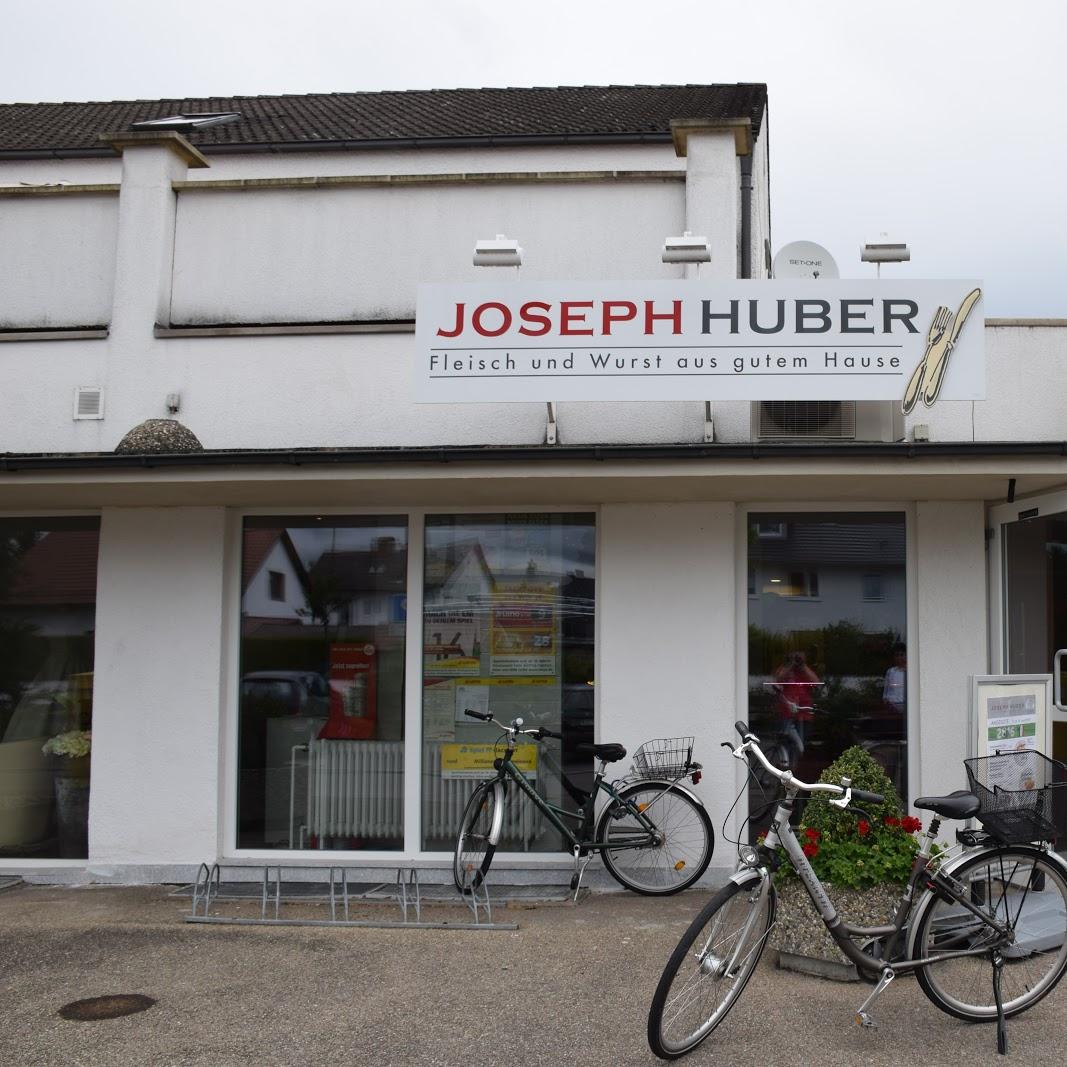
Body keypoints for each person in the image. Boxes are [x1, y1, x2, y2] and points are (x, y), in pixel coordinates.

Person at [774, 650, 821, 759]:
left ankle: (796, 767)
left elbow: (816, 682)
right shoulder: (785, 669)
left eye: (799, 659)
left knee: (800, 745)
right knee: (785, 743)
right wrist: (790, 665)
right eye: (795, 658)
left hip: (804, 714)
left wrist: (803, 666)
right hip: (787, 713)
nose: (796, 661)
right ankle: (785, 766)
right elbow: (778, 679)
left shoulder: (805, 671)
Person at [883, 643, 907, 712]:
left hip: (906, 705)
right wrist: (885, 700)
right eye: (897, 655)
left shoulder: (910, 672)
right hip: (892, 706)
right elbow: (886, 689)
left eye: (901, 655)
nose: (899, 657)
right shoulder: (890, 671)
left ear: (906, 655)